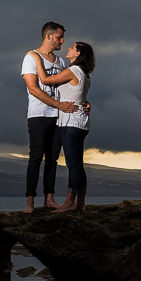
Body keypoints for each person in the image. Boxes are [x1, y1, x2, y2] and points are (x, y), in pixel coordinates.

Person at [22, 22, 80, 214]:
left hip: (58, 116)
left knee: (52, 159)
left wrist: (83, 103)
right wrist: (58, 105)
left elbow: (69, 89)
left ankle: (49, 199)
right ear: (48, 36)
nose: (62, 41)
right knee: (36, 157)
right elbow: (33, 88)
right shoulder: (31, 58)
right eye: (59, 37)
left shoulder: (61, 62)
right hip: (39, 114)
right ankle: (30, 202)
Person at [31, 41, 95, 212]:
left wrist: (36, 58)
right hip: (81, 122)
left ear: (78, 55)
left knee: (73, 165)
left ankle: (68, 203)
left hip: (71, 122)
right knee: (78, 165)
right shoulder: (84, 73)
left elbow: (45, 80)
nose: (69, 49)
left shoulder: (72, 70)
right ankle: (80, 203)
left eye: (73, 48)